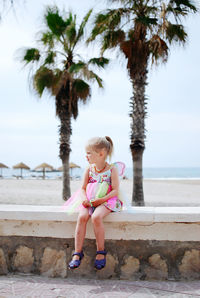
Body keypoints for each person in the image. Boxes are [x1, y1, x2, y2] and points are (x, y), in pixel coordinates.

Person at [65, 136, 125, 270]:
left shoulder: (111, 170)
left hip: (106, 200)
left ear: (101, 154)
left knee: (96, 217)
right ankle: (77, 252)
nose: (86, 156)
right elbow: (82, 188)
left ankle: (101, 251)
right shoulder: (89, 169)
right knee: (82, 217)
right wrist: (84, 199)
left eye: (88, 153)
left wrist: (101, 200)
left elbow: (115, 190)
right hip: (89, 200)